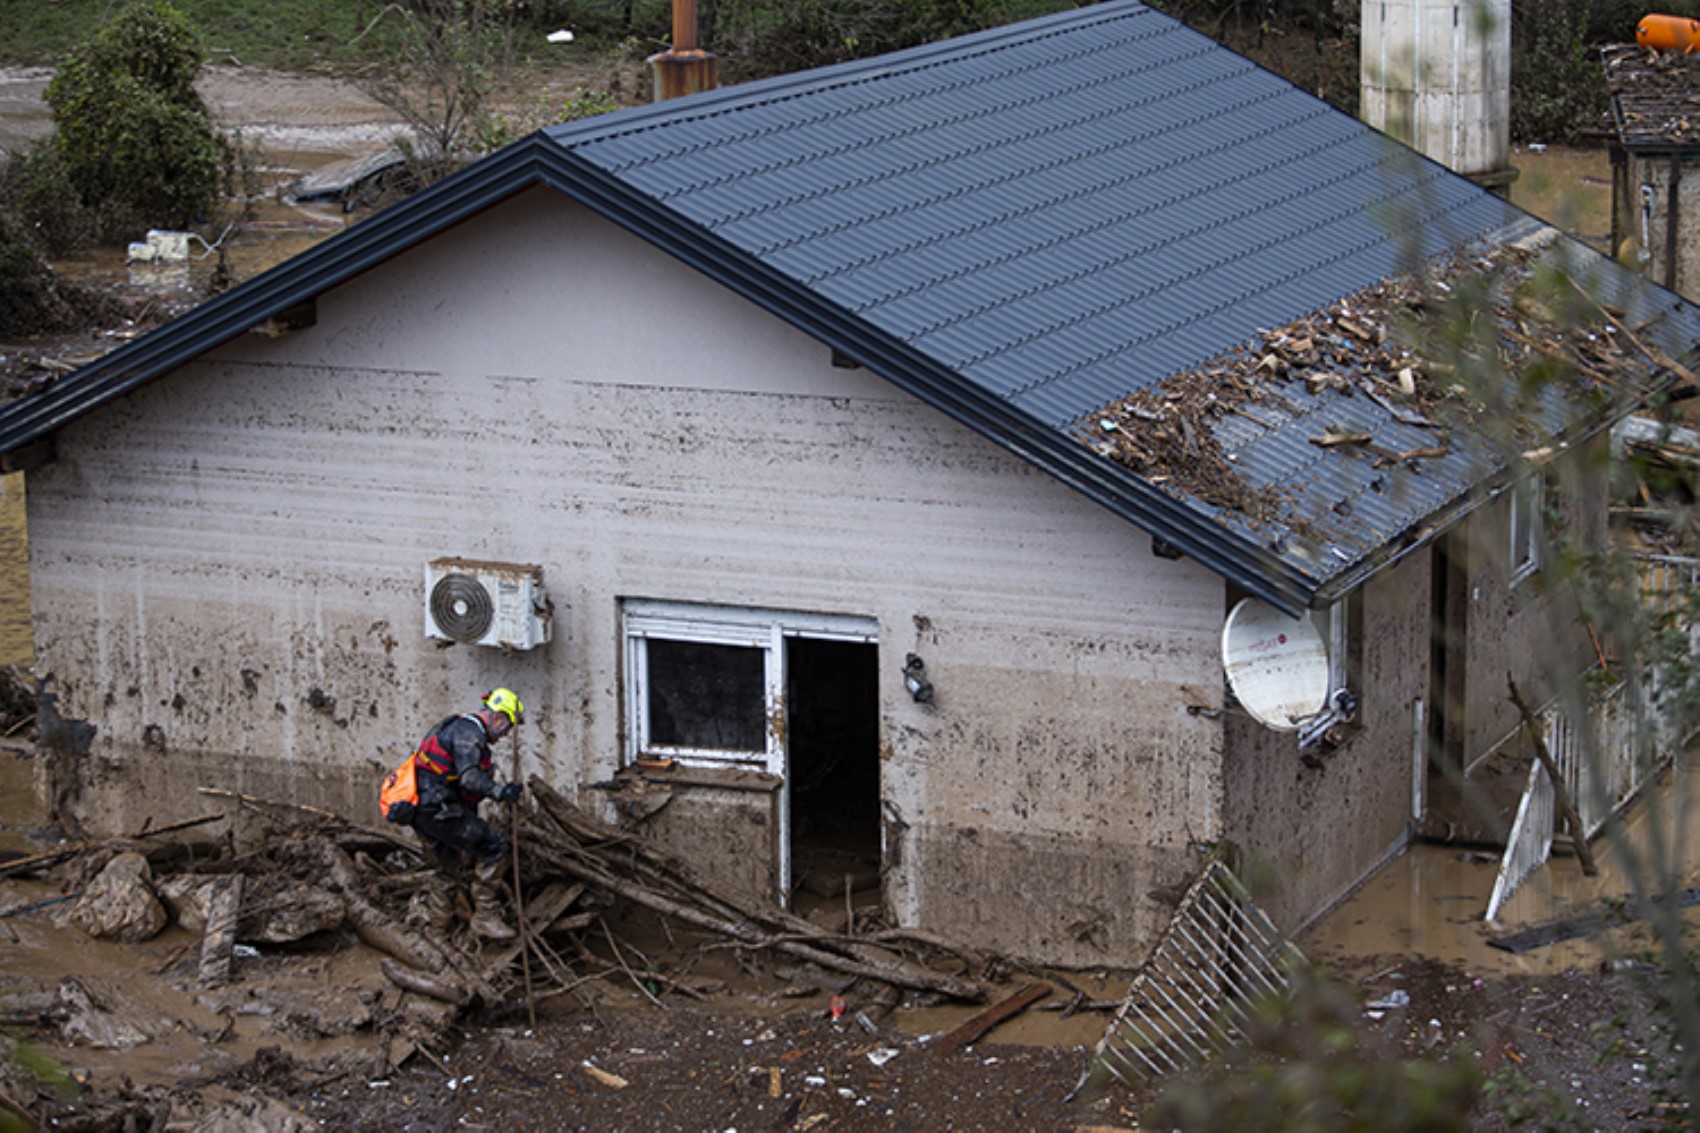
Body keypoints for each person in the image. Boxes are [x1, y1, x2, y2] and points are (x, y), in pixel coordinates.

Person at [407, 687, 527, 941]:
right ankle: (485, 917)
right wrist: (501, 792)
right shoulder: (469, 733)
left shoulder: (453, 726)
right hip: (439, 811)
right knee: (494, 846)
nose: (505, 735)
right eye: (508, 727)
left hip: (423, 810)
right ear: (499, 718)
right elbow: (470, 779)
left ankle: (437, 931)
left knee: (447, 868)